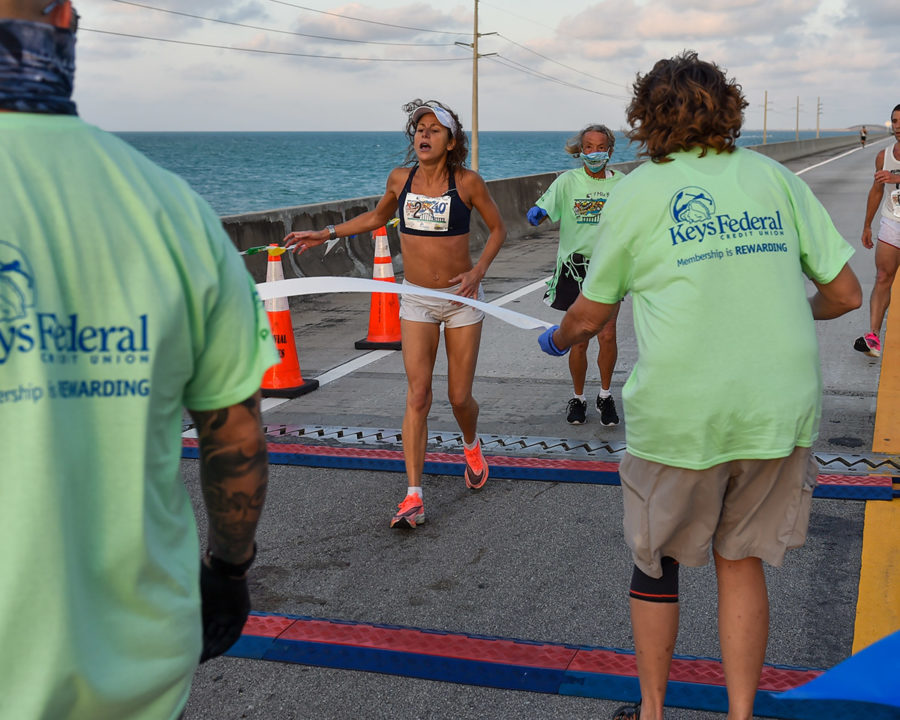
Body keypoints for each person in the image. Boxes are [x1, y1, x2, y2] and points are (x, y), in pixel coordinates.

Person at [538, 51, 861, 720]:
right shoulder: (775, 178)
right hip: (778, 405)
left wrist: (557, 338)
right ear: (728, 108)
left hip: (684, 411)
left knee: (656, 563)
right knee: (739, 562)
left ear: (645, 118)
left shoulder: (636, 191)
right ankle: (741, 714)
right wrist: (780, 308)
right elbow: (847, 293)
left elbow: (592, 313)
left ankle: (653, 711)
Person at [0, 2, 279, 718]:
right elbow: (235, 434)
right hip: (132, 680)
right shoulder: (171, 208)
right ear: (65, 19)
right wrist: (228, 569)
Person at [284, 99, 506, 529]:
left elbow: (499, 228)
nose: (424, 135)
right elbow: (376, 217)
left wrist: (478, 271)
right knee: (418, 394)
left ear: (450, 140)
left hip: (462, 301)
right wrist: (324, 233)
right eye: (419, 128)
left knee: (459, 397)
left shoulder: (468, 183)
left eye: (434, 129)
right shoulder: (400, 180)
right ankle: (413, 495)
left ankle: (471, 442)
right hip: (417, 299)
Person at [526, 124, 624, 426]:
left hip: (608, 267)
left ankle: (605, 396)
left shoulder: (622, 183)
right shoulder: (568, 181)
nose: (595, 152)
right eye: (589, 146)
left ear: (610, 149)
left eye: (601, 146)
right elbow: (544, 208)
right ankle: (579, 398)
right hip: (574, 269)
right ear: (580, 150)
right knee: (579, 339)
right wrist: (538, 213)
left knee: (607, 335)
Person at [854, 104, 900, 358]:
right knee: (883, 276)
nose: (898, 126)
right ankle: (873, 336)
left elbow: (892, 181)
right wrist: (867, 224)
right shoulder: (884, 156)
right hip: (892, 221)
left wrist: (897, 179)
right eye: (895, 121)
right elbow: (876, 190)